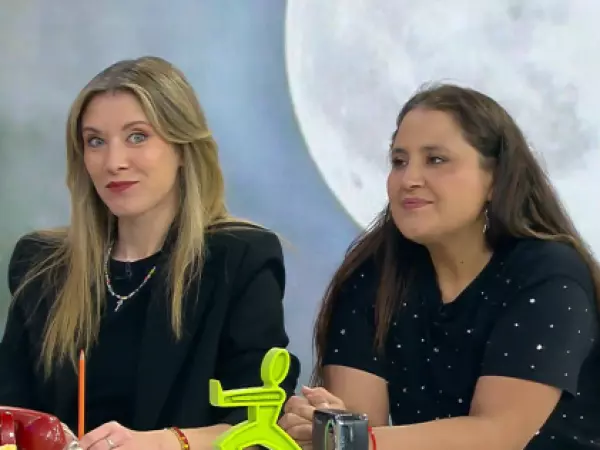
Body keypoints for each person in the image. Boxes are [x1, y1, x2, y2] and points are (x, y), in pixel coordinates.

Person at [0, 56, 300, 450]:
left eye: (137, 136)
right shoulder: (40, 263)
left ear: (182, 148)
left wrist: (161, 443)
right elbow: (10, 412)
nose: (114, 162)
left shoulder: (240, 258)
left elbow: (257, 423)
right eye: (95, 141)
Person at [280, 83, 600, 450]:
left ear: (495, 179)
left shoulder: (548, 275)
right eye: (399, 161)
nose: (409, 179)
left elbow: (498, 435)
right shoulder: (373, 275)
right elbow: (355, 429)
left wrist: (347, 438)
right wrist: (321, 425)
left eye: (435, 160)